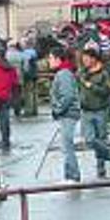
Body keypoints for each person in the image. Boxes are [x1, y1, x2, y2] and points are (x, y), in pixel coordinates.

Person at [77, 48, 110, 178]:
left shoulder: (103, 73)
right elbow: (78, 87)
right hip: (85, 110)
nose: (84, 61)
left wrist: (91, 86)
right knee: (90, 140)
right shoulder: (81, 72)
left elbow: (107, 91)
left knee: (101, 140)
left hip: (100, 110)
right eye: (83, 59)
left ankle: (101, 168)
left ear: (94, 59)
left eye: (86, 58)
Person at [48, 47, 81, 183]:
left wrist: (58, 109)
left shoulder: (63, 74)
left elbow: (67, 96)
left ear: (57, 59)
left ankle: (72, 175)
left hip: (68, 114)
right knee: (66, 146)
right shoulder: (63, 73)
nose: (48, 61)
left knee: (67, 146)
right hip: (67, 114)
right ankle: (70, 174)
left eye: (50, 58)